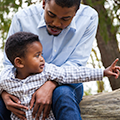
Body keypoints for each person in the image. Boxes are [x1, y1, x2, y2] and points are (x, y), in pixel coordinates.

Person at [0, 0, 116, 120]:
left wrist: (50, 85)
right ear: (44, 3)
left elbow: (76, 65)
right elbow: (10, 64)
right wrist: (4, 92)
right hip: (21, 86)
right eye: (51, 15)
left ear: (76, 13)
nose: (56, 23)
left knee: (63, 94)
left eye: (65, 19)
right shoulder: (22, 18)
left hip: (67, 80)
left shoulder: (89, 18)